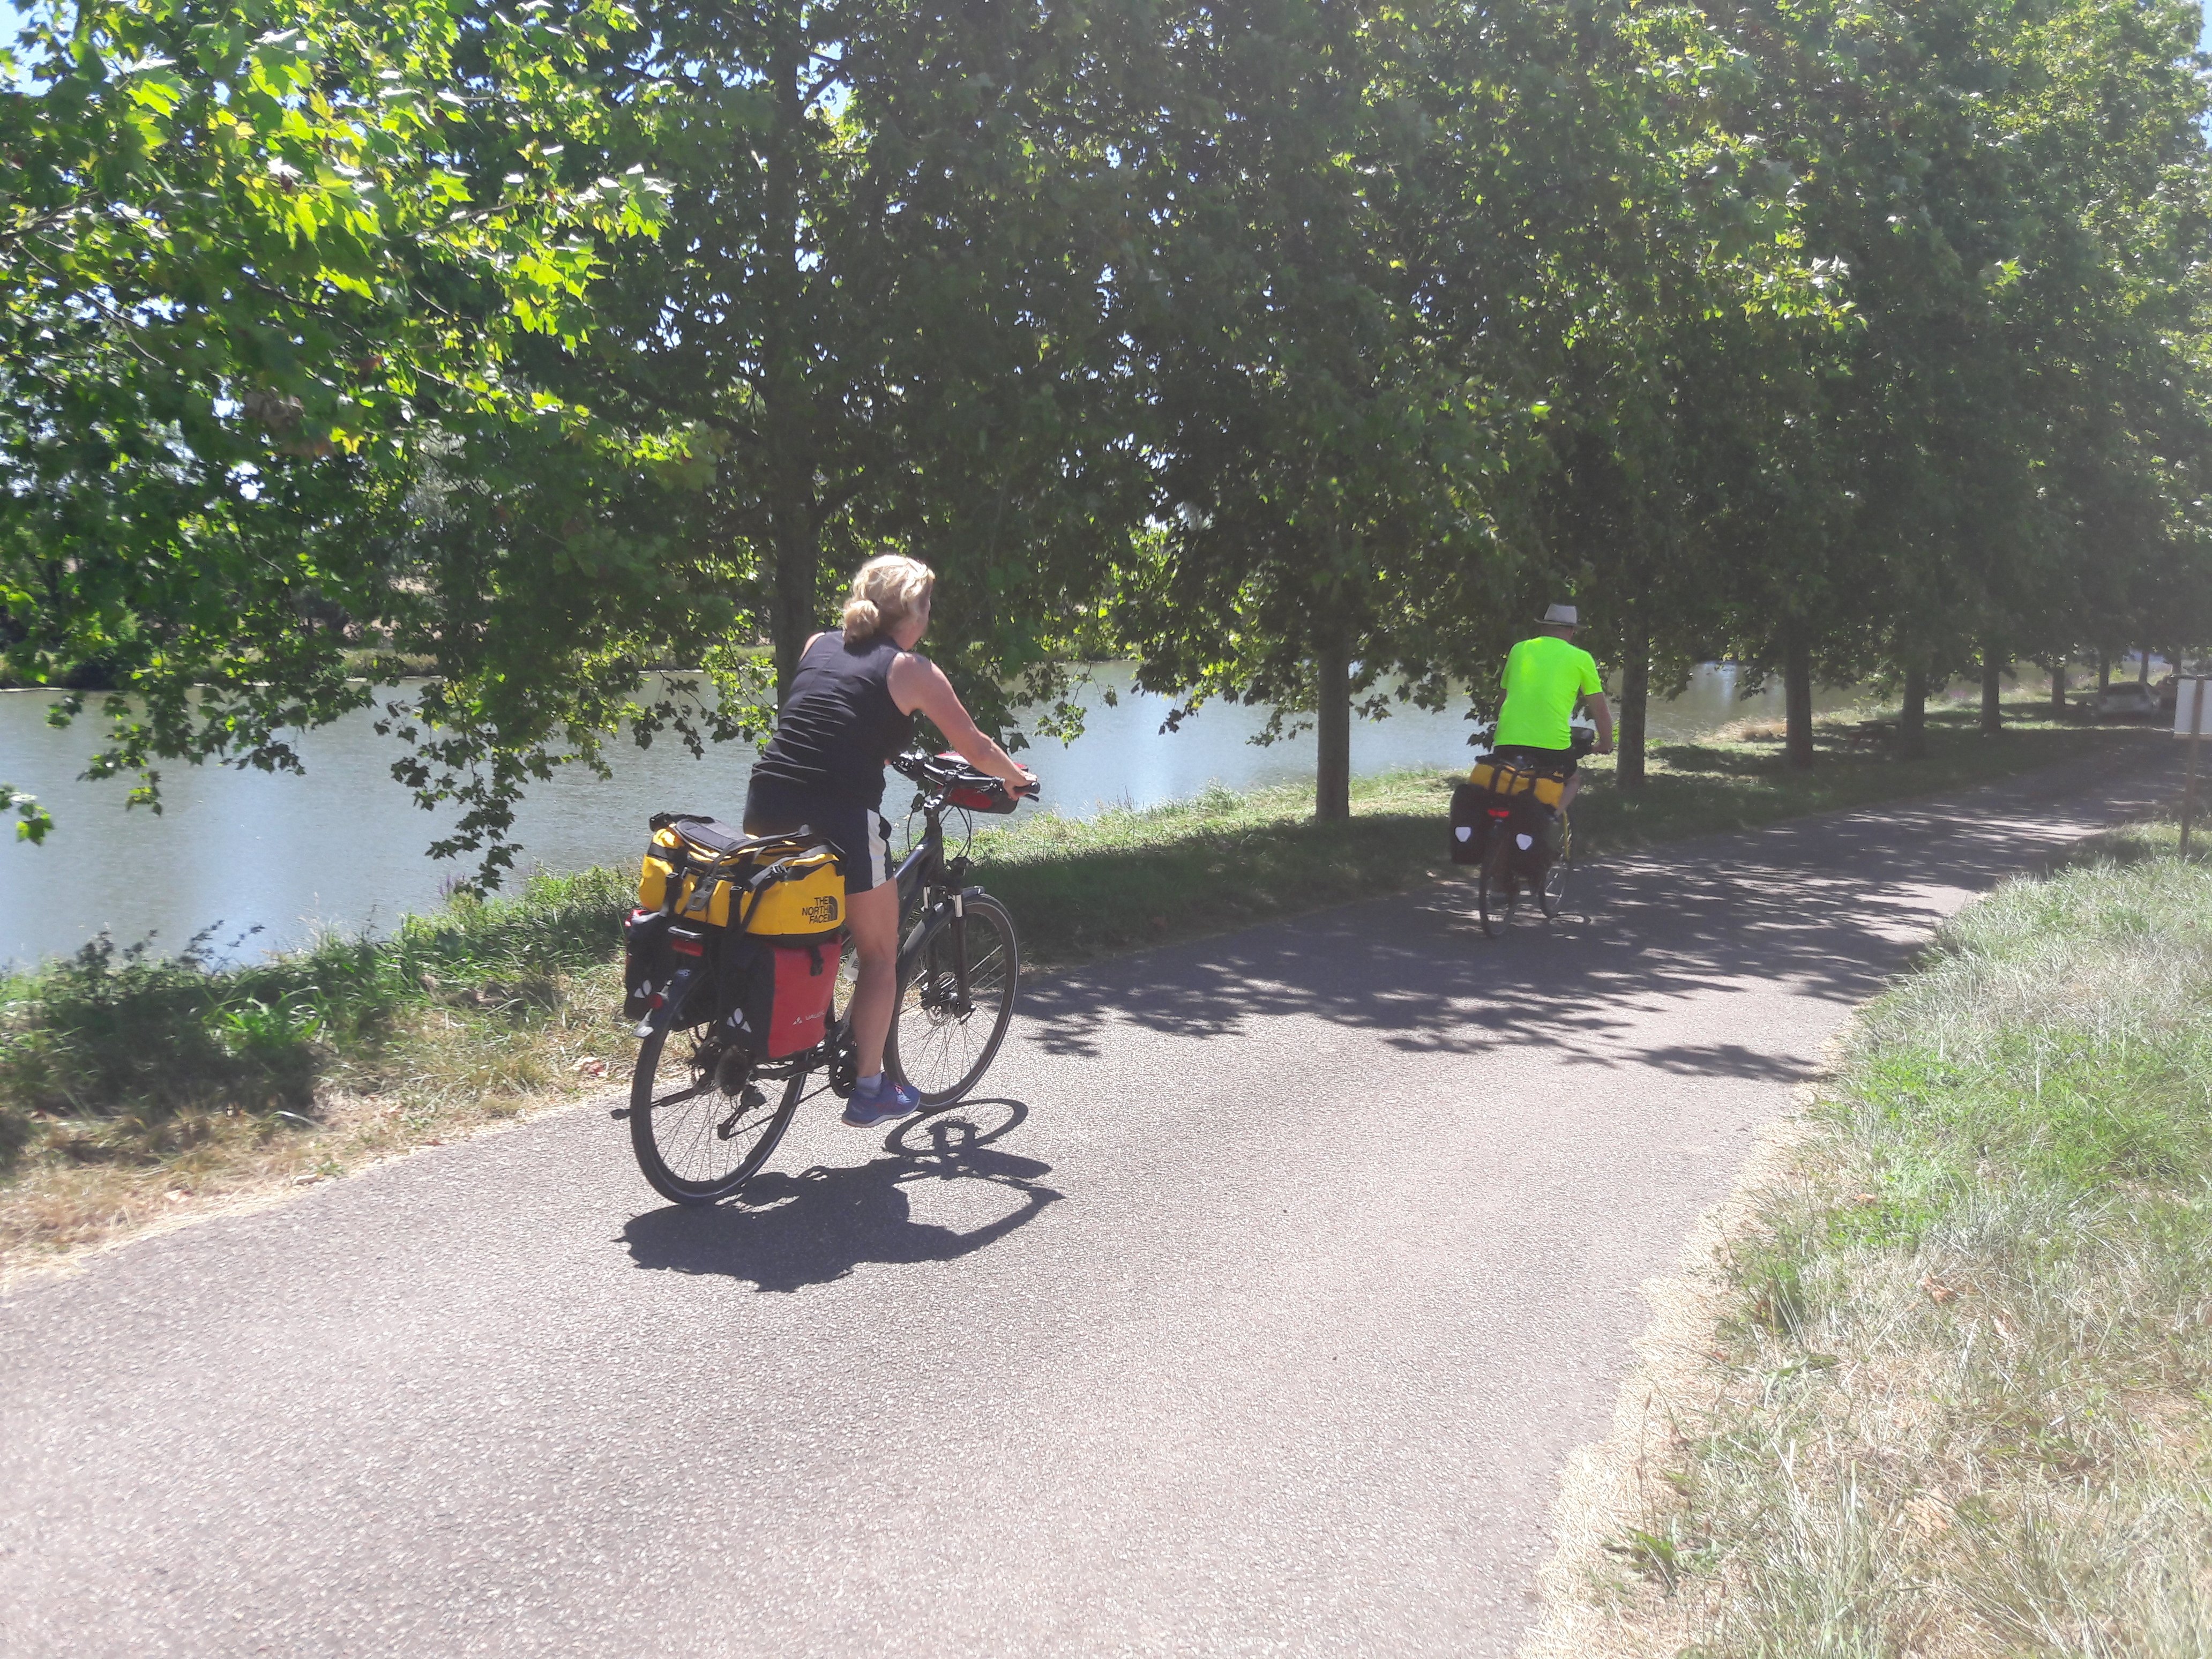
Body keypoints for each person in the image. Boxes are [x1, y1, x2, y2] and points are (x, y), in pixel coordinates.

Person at [744, 555, 1035, 1129]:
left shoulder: (816, 644)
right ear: (916, 611)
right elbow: (975, 747)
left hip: (767, 803)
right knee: (880, 957)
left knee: (798, 928)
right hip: (840, 817)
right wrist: (1016, 778)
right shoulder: (914, 670)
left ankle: (782, 1029)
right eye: (928, 605)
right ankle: (872, 1089)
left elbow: (828, 719)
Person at [1491, 602, 1614, 811]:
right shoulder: (1581, 658)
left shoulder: (1519, 650)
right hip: (1552, 746)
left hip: (1507, 741)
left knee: (1504, 786)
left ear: (1543, 627)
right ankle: (1552, 819)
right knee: (1573, 780)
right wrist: (1606, 743)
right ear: (1572, 631)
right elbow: (1600, 711)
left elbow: (1501, 700)